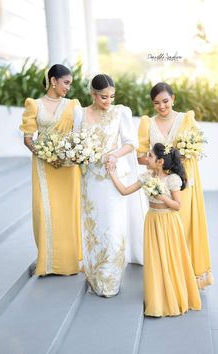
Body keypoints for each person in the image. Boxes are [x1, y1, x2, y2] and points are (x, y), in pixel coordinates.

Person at [108, 143, 201, 316]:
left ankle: (172, 296)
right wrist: (113, 173)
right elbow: (124, 191)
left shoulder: (172, 179)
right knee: (155, 259)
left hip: (168, 222)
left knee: (170, 258)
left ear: (160, 162)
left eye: (149, 156)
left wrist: (161, 197)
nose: (146, 158)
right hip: (152, 220)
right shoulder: (146, 177)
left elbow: (177, 206)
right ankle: (157, 298)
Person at [137, 82, 213, 289]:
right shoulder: (147, 123)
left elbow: (197, 147)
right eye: (156, 103)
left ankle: (186, 276)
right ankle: (167, 277)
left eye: (165, 101)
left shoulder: (186, 119)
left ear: (173, 99)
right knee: (164, 230)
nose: (161, 107)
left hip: (181, 183)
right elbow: (140, 157)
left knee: (183, 225)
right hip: (159, 185)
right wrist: (158, 162)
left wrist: (184, 154)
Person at [73, 74, 141, 297]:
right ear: (93, 94)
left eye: (112, 96)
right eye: (103, 97)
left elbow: (131, 143)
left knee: (112, 226)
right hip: (90, 179)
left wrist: (114, 155)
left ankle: (111, 280)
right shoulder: (80, 113)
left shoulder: (121, 112)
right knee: (93, 227)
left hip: (111, 178)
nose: (108, 101)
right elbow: (75, 143)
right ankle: (94, 277)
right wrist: (80, 154)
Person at [19, 64, 82, 275]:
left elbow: (78, 135)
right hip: (43, 166)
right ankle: (47, 262)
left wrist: (67, 155)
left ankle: (68, 262)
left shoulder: (73, 105)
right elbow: (28, 139)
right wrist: (47, 156)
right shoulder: (34, 105)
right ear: (53, 81)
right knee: (43, 210)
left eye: (70, 84)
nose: (68, 88)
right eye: (66, 83)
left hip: (67, 167)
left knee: (67, 211)